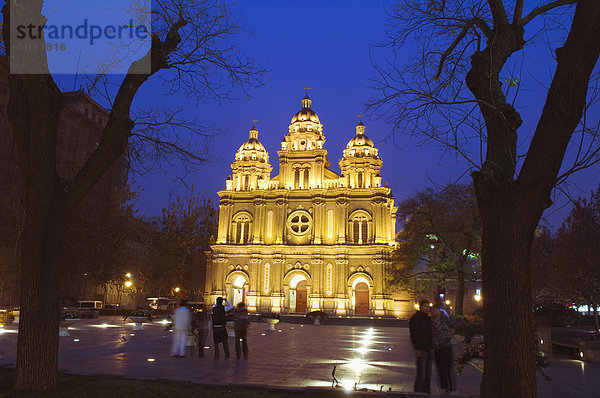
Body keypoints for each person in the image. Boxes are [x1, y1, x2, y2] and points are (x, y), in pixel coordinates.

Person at [409, 299, 433, 394]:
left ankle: (426, 392)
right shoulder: (415, 318)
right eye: (425, 306)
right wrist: (416, 348)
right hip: (421, 349)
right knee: (421, 374)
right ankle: (418, 393)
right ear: (420, 307)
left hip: (429, 349)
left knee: (428, 374)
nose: (427, 308)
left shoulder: (428, 319)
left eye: (428, 306)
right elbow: (414, 334)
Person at [431, 304, 455, 394]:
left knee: (448, 369)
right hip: (437, 349)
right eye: (432, 311)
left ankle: (452, 388)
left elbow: (451, 331)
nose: (434, 312)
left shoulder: (446, 320)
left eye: (435, 310)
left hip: (446, 347)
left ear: (438, 310)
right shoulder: (431, 322)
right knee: (440, 369)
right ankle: (444, 388)